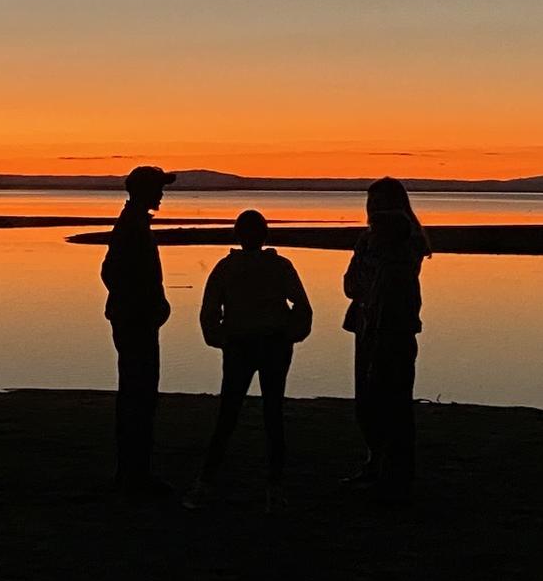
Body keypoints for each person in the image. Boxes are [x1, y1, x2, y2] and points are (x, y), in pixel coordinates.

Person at [183, 210, 312, 512]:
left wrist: (219, 337)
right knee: (270, 413)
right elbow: (302, 307)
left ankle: (207, 482)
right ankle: (272, 487)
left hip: (247, 345)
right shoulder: (278, 266)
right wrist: (291, 333)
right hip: (263, 345)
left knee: (231, 414)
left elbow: (209, 311)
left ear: (237, 235)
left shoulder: (228, 267)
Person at [341, 176, 430, 502]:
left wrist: (367, 286)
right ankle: (375, 462)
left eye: (380, 203)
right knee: (366, 401)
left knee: (393, 401)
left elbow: (383, 285)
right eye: (371, 203)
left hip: (394, 328)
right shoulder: (367, 241)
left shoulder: (406, 243)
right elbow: (351, 283)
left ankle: (395, 473)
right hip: (365, 326)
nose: (373, 210)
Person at [100, 165, 175, 498]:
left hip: (136, 319)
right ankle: (133, 475)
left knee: (139, 394)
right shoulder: (132, 225)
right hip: (135, 322)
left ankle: (134, 472)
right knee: (138, 394)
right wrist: (143, 304)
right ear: (144, 191)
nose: (162, 194)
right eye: (158, 188)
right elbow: (112, 271)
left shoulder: (134, 222)